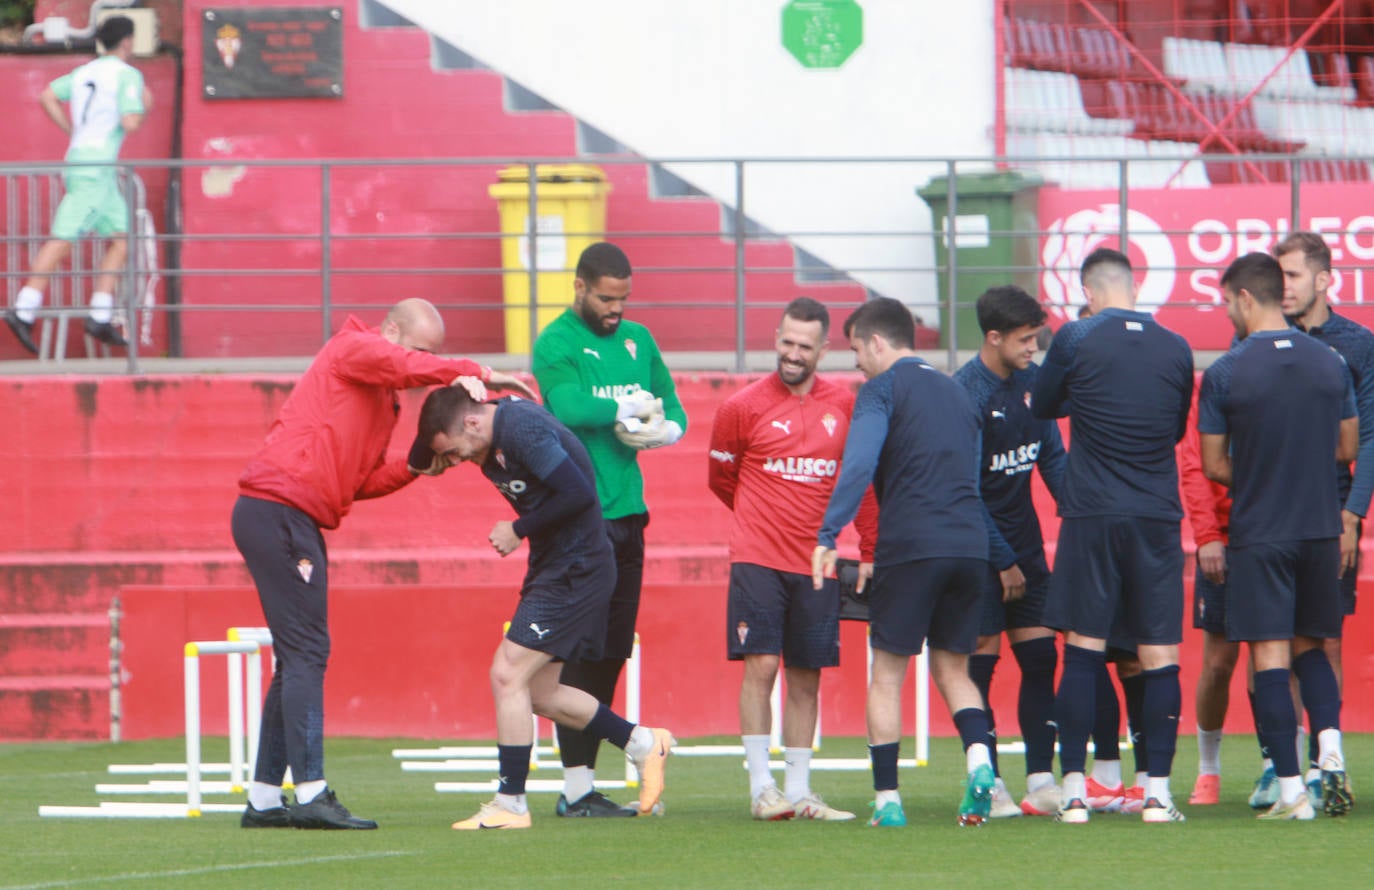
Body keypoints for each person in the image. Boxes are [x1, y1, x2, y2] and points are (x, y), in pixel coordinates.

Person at [231, 299, 534, 830]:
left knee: (298, 656)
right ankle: (310, 793)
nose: (422, 365)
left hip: (290, 515)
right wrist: (476, 372)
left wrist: (417, 467)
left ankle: (263, 799)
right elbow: (403, 365)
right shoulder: (353, 348)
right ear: (389, 329)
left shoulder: (381, 399)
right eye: (419, 349)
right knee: (307, 652)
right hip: (279, 511)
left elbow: (358, 482)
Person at [409, 387, 675, 830]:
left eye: (455, 452)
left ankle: (511, 801)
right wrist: (463, 383)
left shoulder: (521, 428)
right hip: (556, 565)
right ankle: (644, 742)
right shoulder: (484, 430)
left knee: (506, 674)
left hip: (576, 567)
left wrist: (518, 527)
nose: (456, 462)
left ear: (473, 423)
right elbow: (421, 457)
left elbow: (579, 493)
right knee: (538, 692)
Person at [812, 296, 996, 828]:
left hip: (912, 544)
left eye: (855, 350)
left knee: (888, 675)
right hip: (969, 544)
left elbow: (860, 460)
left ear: (876, 341)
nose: (855, 364)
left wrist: (830, 530)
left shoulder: (880, 389)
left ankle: (888, 801)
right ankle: (980, 763)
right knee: (954, 668)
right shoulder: (960, 393)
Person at [1030, 247, 1194, 824]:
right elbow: (1174, 429)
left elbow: (1044, 404)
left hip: (1092, 511)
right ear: (1133, 287)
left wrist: (1088, 397)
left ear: (1090, 291)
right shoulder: (1177, 347)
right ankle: (1158, 794)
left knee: (1083, 646)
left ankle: (1075, 792)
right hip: (1155, 513)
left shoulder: (1075, 337)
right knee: (1158, 653)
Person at [1198, 251, 1358, 820]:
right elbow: (1347, 449)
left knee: (1269, 655)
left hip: (1261, 531)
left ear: (1244, 298)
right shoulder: (1331, 362)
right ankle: (1331, 749)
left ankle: (1291, 792)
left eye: (1225, 301)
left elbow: (1213, 464)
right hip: (1319, 527)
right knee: (1312, 647)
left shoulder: (1224, 372)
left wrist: (1265, 468)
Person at [531, 241, 687, 817]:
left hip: (628, 514)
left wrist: (667, 428)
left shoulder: (638, 340)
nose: (616, 309)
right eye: (605, 298)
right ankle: (575, 789)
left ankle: (584, 789)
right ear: (580, 287)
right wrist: (626, 410)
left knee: (612, 652)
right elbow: (568, 407)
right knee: (578, 649)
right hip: (578, 520)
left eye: (623, 298)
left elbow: (673, 403)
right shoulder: (556, 342)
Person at [707, 297, 876, 822]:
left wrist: (868, 549)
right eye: (786, 342)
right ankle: (763, 790)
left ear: (824, 349)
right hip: (756, 557)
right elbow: (721, 478)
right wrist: (763, 518)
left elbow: (863, 484)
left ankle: (799, 791)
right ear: (775, 338)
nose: (793, 353)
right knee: (761, 666)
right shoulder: (742, 407)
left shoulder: (846, 405)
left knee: (806, 676)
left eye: (805, 346)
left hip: (819, 563)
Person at [951, 286, 1066, 818]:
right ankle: (989, 781)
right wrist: (1001, 558)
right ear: (993, 338)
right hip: (979, 553)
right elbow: (965, 490)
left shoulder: (1035, 384)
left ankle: (1042, 780)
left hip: (1026, 547)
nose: (1033, 347)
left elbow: (1053, 459)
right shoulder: (964, 396)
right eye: (1024, 339)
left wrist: (1080, 517)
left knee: (1042, 657)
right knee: (980, 668)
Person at [1275, 231, 1374, 802]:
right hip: (1269, 513)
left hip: (1330, 512)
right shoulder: (1266, 339)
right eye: (1278, 276)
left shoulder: (1357, 345)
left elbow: (1372, 440)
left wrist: (1353, 513)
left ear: (1324, 278)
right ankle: (1283, 764)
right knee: (1273, 644)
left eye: (1292, 275)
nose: (1283, 286)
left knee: (1323, 640)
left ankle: (1324, 760)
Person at [4, 16, 150, 354]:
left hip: (87, 163)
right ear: (127, 41)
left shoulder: (87, 71)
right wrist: (143, 105)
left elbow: (47, 96)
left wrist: (73, 133)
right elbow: (130, 121)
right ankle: (24, 309)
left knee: (122, 238)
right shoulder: (127, 76)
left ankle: (99, 314)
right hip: (96, 168)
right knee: (62, 238)